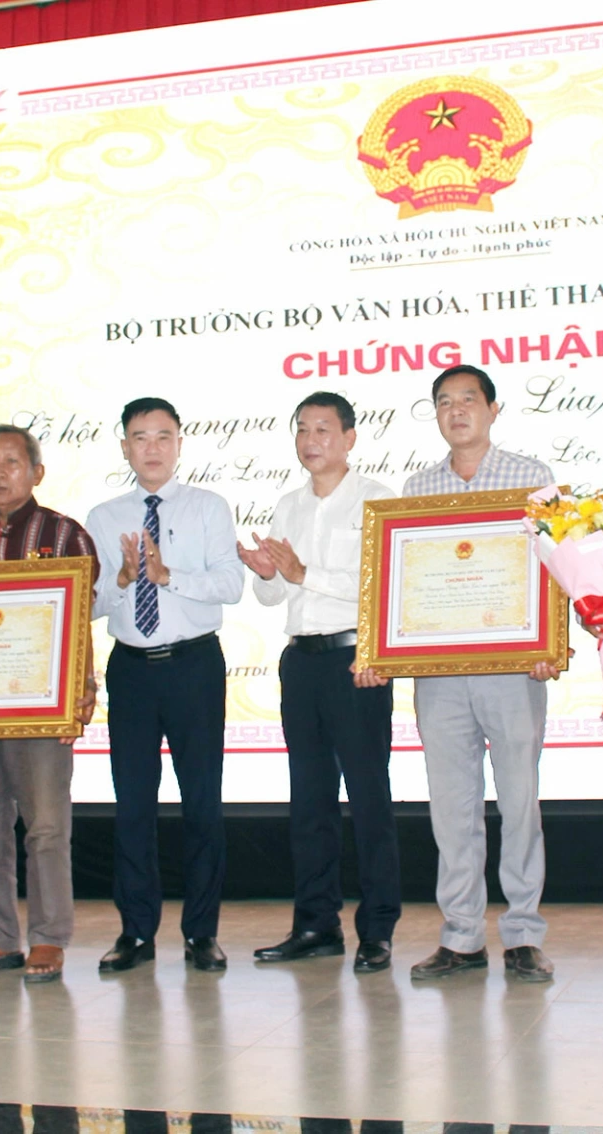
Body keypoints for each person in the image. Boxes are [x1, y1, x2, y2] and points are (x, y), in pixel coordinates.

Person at [403, 365, 562, 983]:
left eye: (468, 399)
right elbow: (407, 582)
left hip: (514, 668)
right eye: (444, 401)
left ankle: (523, 934)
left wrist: (548, 641)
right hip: (438, 673)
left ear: (494, 409)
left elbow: (556, 565)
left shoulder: (534, 479)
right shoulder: (416, 489)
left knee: (520, 801)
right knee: (452, 807)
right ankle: (462, 936)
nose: (457, 410)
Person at [240, 392, 402, 974]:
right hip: (301, 662)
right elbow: (276, 594)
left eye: (324, 429)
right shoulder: (287, 504)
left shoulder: (378, 500)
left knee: (368, 798)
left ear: (351, 437)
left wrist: (302, 572)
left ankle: (378, 929)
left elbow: (380, 582)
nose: (312, 440)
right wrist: (266, 575)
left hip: (356, 661)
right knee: (309, 800)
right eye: (302, 429)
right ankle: (315, 924)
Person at [84, 397, 245, 972]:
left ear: (179, 444)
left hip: (194, 667)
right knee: (132, 805)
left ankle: (202, 931)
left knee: (202, 802)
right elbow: (94, 604)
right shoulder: (104, 517)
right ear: (124, 447)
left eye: (162, 437)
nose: (151, 448)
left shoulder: (208, 507)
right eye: (139, 438)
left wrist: (166, 575)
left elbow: (231, 585)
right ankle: (136, 933)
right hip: (131, 669)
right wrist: (126, 578)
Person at [0, 425, 98, 984]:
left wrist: (82, 693)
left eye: (11, 462)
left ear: (37, 473)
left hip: (41, 710)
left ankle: (49, 939)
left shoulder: (66, 534)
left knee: (47, 828)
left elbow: (78, 623)